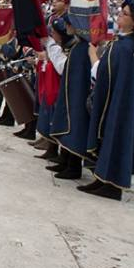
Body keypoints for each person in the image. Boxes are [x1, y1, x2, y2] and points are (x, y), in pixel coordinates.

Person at [81, 0, 134, 201]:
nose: (120, 15)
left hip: (120, 103)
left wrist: (93, 56)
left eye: (125, 13)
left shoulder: (131, 47)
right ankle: (102, 177)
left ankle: (112, 183)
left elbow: (106, 73)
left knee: (116, 135)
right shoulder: (124, 42)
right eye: (121, 11)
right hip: (112, 98)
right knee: (106, 136)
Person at [44, 18, 91, 180]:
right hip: (70, 92)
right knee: (66, 125)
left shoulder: (81, 47)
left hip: (77, 94)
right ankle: (65, 160)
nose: (67, 26)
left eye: (70, 23)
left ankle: (73, 166)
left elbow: (64, 67)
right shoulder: (78, 45)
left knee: (74, 128)